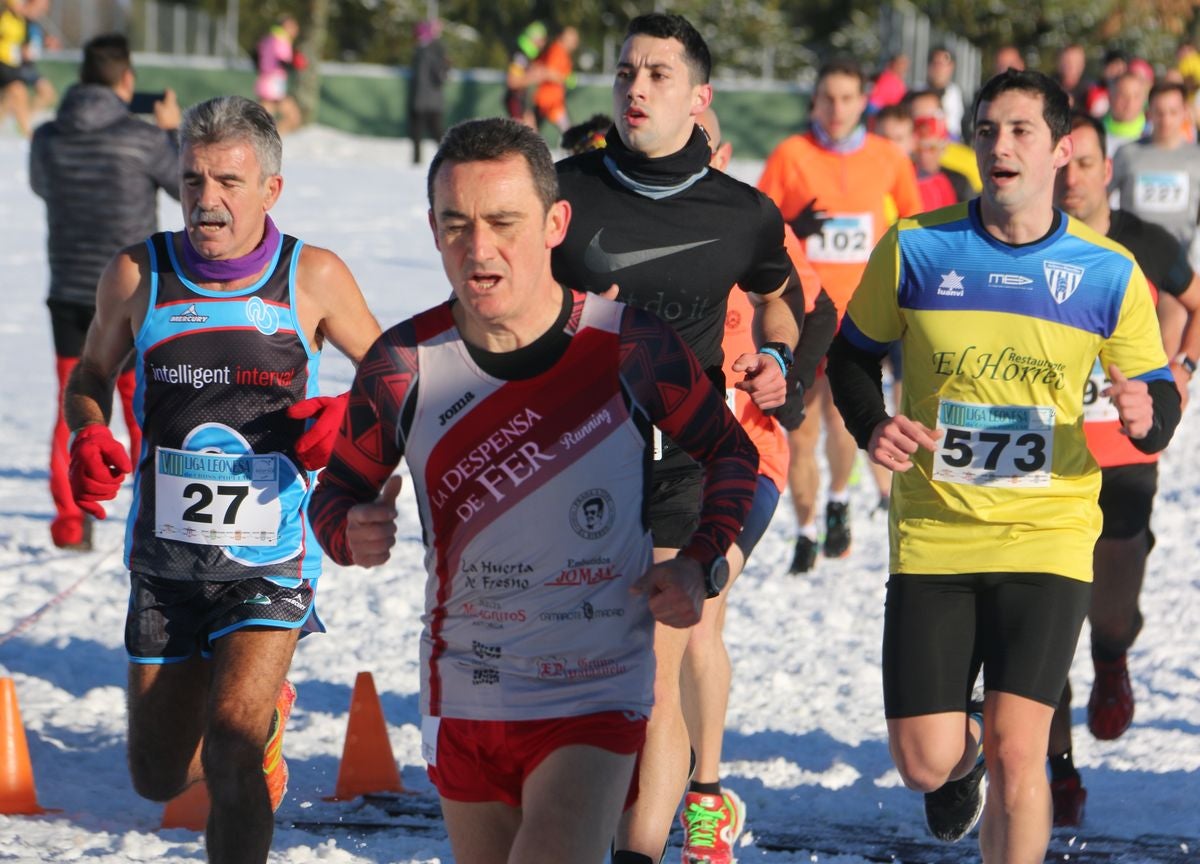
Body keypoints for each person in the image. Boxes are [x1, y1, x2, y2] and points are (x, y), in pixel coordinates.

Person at [307, 116, 759, 864]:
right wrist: (348, 530)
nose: (478, 249)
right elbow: (335, 492)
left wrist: (700, 561)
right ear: (432, 229)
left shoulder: (628, 344)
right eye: (456, 224)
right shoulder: (402, 364)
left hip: (593, 692)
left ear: (555, 223)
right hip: (465, 696)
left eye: (502, 222)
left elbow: (730, 455)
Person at [827, 69, 1181, 862]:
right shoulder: (917, 246)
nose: (1001, 146)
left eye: (1022, 131)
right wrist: (872, 424)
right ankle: (966, 754)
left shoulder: (1107, 270)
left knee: (1027, 753)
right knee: (923, 761)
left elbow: (1156, 394)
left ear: (1061, 152)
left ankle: (1000, 751)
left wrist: (1147, 414)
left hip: (1048, 530)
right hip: (935, 535)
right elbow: (852, 356)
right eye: (988, 129)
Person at [63, 95, 380, 864]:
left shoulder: (314, 276)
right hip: (167, 560)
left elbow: (391, 382)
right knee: (157, 774)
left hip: (269, 557)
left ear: (270, 188)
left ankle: (254, 723)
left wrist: (350, 415)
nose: (208, 202)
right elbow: (94, 370)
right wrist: (88, 429)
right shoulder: (141, 272)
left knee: (234, 747)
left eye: (229, 183)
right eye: (194, 180)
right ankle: (249, 719)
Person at [551, 14, 831, 864]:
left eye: (659, 75)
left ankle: (669, 824)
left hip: (692, 456)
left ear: (699, 98)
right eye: (627, 71)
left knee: (670, 652)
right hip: (571, 451)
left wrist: (780, 364)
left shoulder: (743, 213)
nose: (636, 88)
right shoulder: (558, 190)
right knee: (580, 653)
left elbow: (797, 305)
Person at [675, 104, 823, 864]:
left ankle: (705, 796)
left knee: (695, 609)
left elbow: (813, 308)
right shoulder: (624, 229)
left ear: (724, 151)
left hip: (744, 459)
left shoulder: (753, 223)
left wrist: (786, 375)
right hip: (638, 461)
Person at [1048, 111, 1200, 828]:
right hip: (1047, 454)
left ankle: (1112, 656)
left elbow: (1198, 303)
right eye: (1061, 164)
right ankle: (1057, 768)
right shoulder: (1025, 241)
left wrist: (1184, 366)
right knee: (1046, 621)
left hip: (1124, 452)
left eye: (1083, 165)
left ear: (1107, 171)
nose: (1070, 178)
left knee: (1107, 613)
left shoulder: (1146, 242)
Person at [757, 56, 921, 573]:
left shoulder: (888, 157)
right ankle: (805, 530)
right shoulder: (790, 155)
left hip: (861, 316)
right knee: (800, 428)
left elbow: (916, 227)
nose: (837, 109)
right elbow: (755, 229)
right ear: (815, 101)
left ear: (863, 102)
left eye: (848, 98)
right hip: (802, 310)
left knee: (843, 420)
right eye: (828, 98)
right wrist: (791, 226)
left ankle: (838, 502)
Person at [29, 33, 181, 551]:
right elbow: (187, 185)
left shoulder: (48, 137)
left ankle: (71, 521)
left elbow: (41, 186)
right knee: (142, 407)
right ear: (127, 79)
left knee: (74, 401)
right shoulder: (142, 140)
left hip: (69, 290)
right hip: (133, 291)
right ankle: (156, 510)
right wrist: (171, 132)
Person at [1111, 81, 1200, 266]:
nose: (1166, 120)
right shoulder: (1127, 153)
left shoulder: (1196, 157)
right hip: (1133, 262)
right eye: (1159, 112)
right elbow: (1100, 200)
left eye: (1173, 112)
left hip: (1182, 263)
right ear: (1149, 112)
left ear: (1184, 112)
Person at [907, 90, 975, 209]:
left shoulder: (969, 161)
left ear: (943, 122)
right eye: (918, 123)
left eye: (931, 122)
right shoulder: (899, 167)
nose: (925, 131)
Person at [408, 18, 450, 164]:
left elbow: (440, 77)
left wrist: (443, 68)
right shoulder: (419, 52)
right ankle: (416, 162)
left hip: (430, 102)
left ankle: (448, 158)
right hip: (419, 101)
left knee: (437, 134)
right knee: (416, 134)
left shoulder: (432, 51)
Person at [255, 15, 304, 135]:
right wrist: (295, 62)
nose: (296, 30)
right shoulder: (281, 40)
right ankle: (271, 139)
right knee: (293, 118)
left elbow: (259, 58)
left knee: (262, 122)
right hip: (273, 85)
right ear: (285, 27)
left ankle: (270, 139)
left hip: (269, 83)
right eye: (293, 26)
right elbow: (281, 62)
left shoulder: (270, 38)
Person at [532, 25, 579, 133]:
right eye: (573, 39)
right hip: (548, 101)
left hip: (551, 101)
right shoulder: (558, 51)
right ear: (563, 37)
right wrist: (566, 78)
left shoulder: (560, 51)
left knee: (533, 133)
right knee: (568, 133)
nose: (575, 43)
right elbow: (547, 71)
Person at [504, 20, 547, 128]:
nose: (543, 44)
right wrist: (533, 77)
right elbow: (512, 82)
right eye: (541, 39)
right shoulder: (520, 56)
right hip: (515, 102)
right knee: (525, 138)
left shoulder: (526, 56)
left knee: (533, 137)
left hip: (522, 102)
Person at [0, 0, 30, 136]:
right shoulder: (3, 16)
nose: (21, 6)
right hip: (2, 62)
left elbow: (21, 42)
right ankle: (27, 132)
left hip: (14, 64)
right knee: (19, 91)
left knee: (7, 99)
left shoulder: (21, 20)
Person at [1103, 71, 1147, 157]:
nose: (1130, 103)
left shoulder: (1153, 134)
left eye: (1136, 96)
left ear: (1144, 99)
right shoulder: (1095, 134)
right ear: (1110, 97)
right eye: (1123, 96)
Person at [925, 45, 964, 140]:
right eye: (935, 63)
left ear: (951, 67)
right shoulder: (915, 93)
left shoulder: (957, 95)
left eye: (943, 64)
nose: (939, 69)